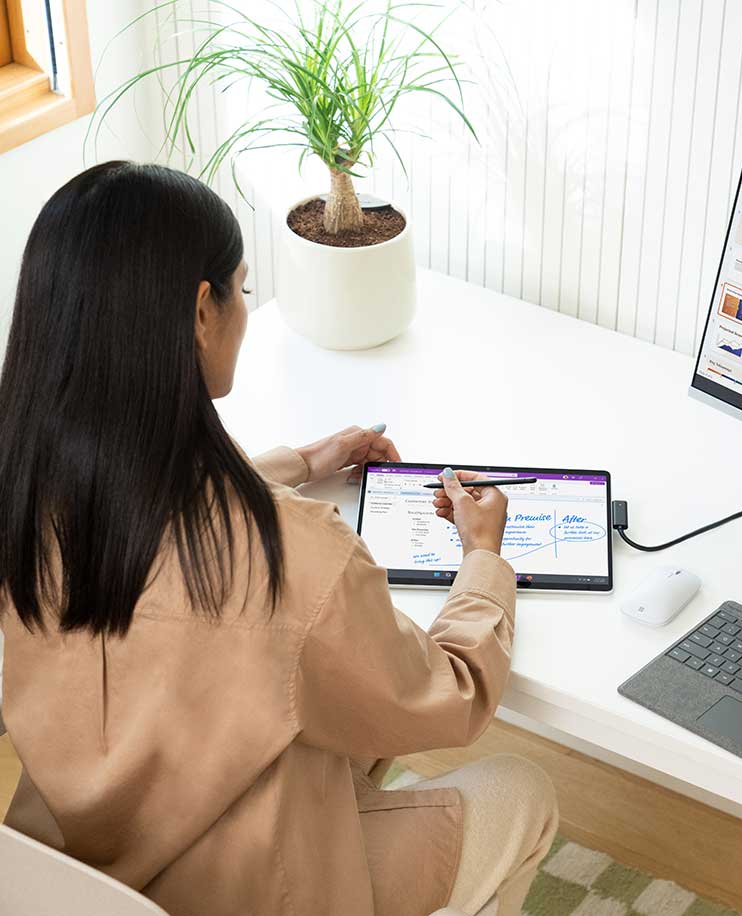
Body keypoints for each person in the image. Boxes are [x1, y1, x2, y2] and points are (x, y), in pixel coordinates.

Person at [0, 162, 556, 916]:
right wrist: (485, 560)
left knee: (324, 703)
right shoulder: (285, 554)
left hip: (69, 880)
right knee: (524, 790)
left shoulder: (26, 491)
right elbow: (452, 698)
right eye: (244, 290)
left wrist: (298, 463)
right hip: (260, 892)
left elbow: (157, 515)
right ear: (203, 312)